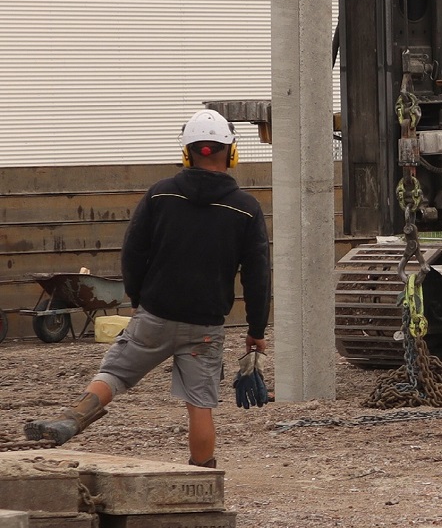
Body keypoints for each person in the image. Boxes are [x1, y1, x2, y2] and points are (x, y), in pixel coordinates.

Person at [23, 110, 271, 466]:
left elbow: (134, 252)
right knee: (200, 403)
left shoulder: (160, 195)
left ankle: (69, 420)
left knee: (114, 372)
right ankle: (202, 477)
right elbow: (258, 274)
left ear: (186, 153)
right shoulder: (246, 209)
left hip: (155, 315)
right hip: (204, 326)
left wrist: (140, 300)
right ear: (231, 153)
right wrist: (256, 330)